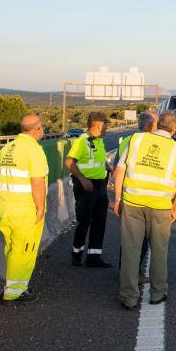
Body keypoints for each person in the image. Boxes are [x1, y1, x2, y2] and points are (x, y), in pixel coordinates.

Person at [113, 110, 176, 309]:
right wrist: (175, 209)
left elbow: (119, 170)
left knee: (131, 250)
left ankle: (129, 297)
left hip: (132, 202)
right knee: (159, 251)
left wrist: (117, 198)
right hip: (161, 207)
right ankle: (157, 293)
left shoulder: (136, 140)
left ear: (158, 125)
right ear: (174, 128)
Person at [0, 114, 48, 304]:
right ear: (37, 129)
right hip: (25, 210)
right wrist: (40, 207)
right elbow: (37, 183)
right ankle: (14, 292)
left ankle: (13, 285)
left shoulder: (7, 148)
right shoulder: (34, 150)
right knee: (25, 250)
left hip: (6, 207)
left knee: (12, 248)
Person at [113, 110, 158, 283]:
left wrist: (118, 197)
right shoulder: (152, 142)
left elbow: (117, 168)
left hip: (126, 194)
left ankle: (124, 272)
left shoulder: (126, 140)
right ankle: (135, 274)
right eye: (156, 123)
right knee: (142, 240)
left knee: (128, 238)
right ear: (150, 125)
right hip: (143, 197)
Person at [65, 112, 111, 267]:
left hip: (100, 185)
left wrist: (108, 170)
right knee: (84, 221)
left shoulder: (99, 141)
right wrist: (83, 179)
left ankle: (94, 258)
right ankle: (76, 255)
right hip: (86, 186)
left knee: (100, 221)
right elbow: (70, 162)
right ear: (98, 125)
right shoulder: (82, 141)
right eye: (106, 124)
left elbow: (98, 161)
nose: (107, 128)